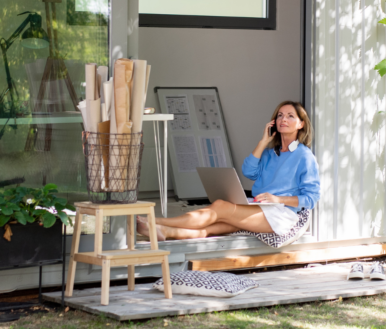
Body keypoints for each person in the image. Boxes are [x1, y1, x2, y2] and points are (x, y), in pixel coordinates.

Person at [137, 101, 320, 240]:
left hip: (281, 214)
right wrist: (262, 143)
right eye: (280, 115)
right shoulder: (270, 153)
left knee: (220, 207)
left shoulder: (304, 156)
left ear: (301, 124)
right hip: (259, 207)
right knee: (215, 226)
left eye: (290, 116)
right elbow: (249, 172)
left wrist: (278, 199)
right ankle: (164, 232)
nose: (283, 119)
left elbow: (311, 198)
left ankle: (155, 221)